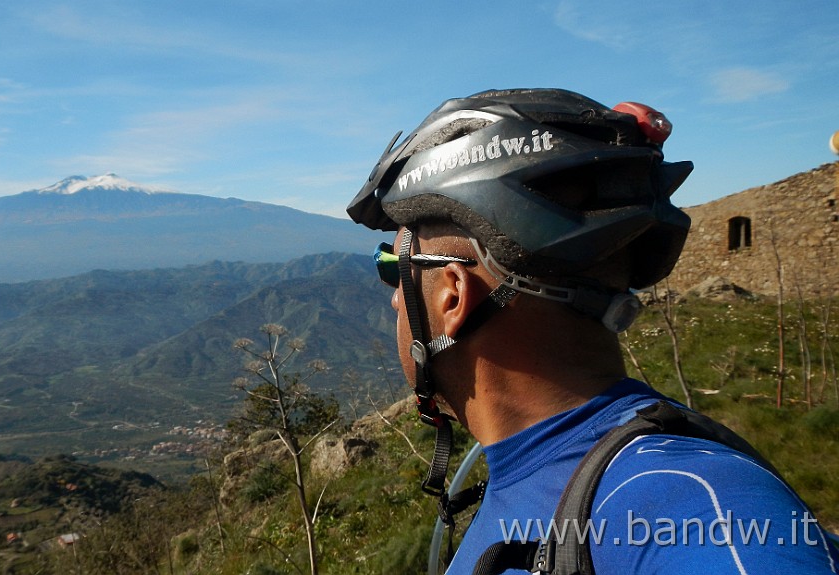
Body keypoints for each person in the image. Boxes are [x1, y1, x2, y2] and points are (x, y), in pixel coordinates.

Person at [347, 88, 838, 574]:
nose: (393, 297)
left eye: (394, 268)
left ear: (452, 295)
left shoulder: (682, 499)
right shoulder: (536, 467)